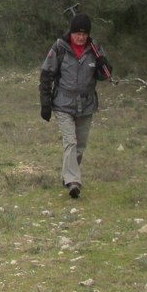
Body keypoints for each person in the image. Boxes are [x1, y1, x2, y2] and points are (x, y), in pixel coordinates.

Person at [39, 13, 111, 199]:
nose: (81, 38)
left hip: (86, 104)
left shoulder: (95, 49)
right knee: (70, 142)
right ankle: (73, 182)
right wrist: (45, 103)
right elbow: (46, 75)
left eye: (84, 34)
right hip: (63, 103)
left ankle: (67, 175)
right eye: (77, 34)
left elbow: (104, 76)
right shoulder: (59, 48)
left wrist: (105, 66)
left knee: (80, 146)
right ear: (71, 33)